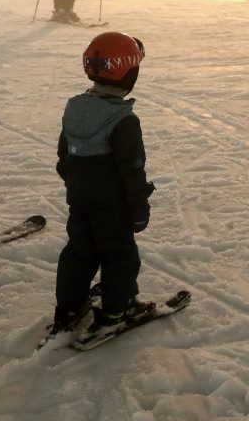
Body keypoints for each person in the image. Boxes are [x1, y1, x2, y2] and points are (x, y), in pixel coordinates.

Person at [50, 31, 156, 333]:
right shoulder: (124, 121)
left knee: (79, 252)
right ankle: (116, 312)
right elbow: (132, 170)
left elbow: (64, 155)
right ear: (129, 75)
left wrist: (77, 184)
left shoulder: (75, 107)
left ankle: (68, 308)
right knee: (119, 255)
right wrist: (138, 208)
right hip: (113, 206)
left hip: (80, 201)